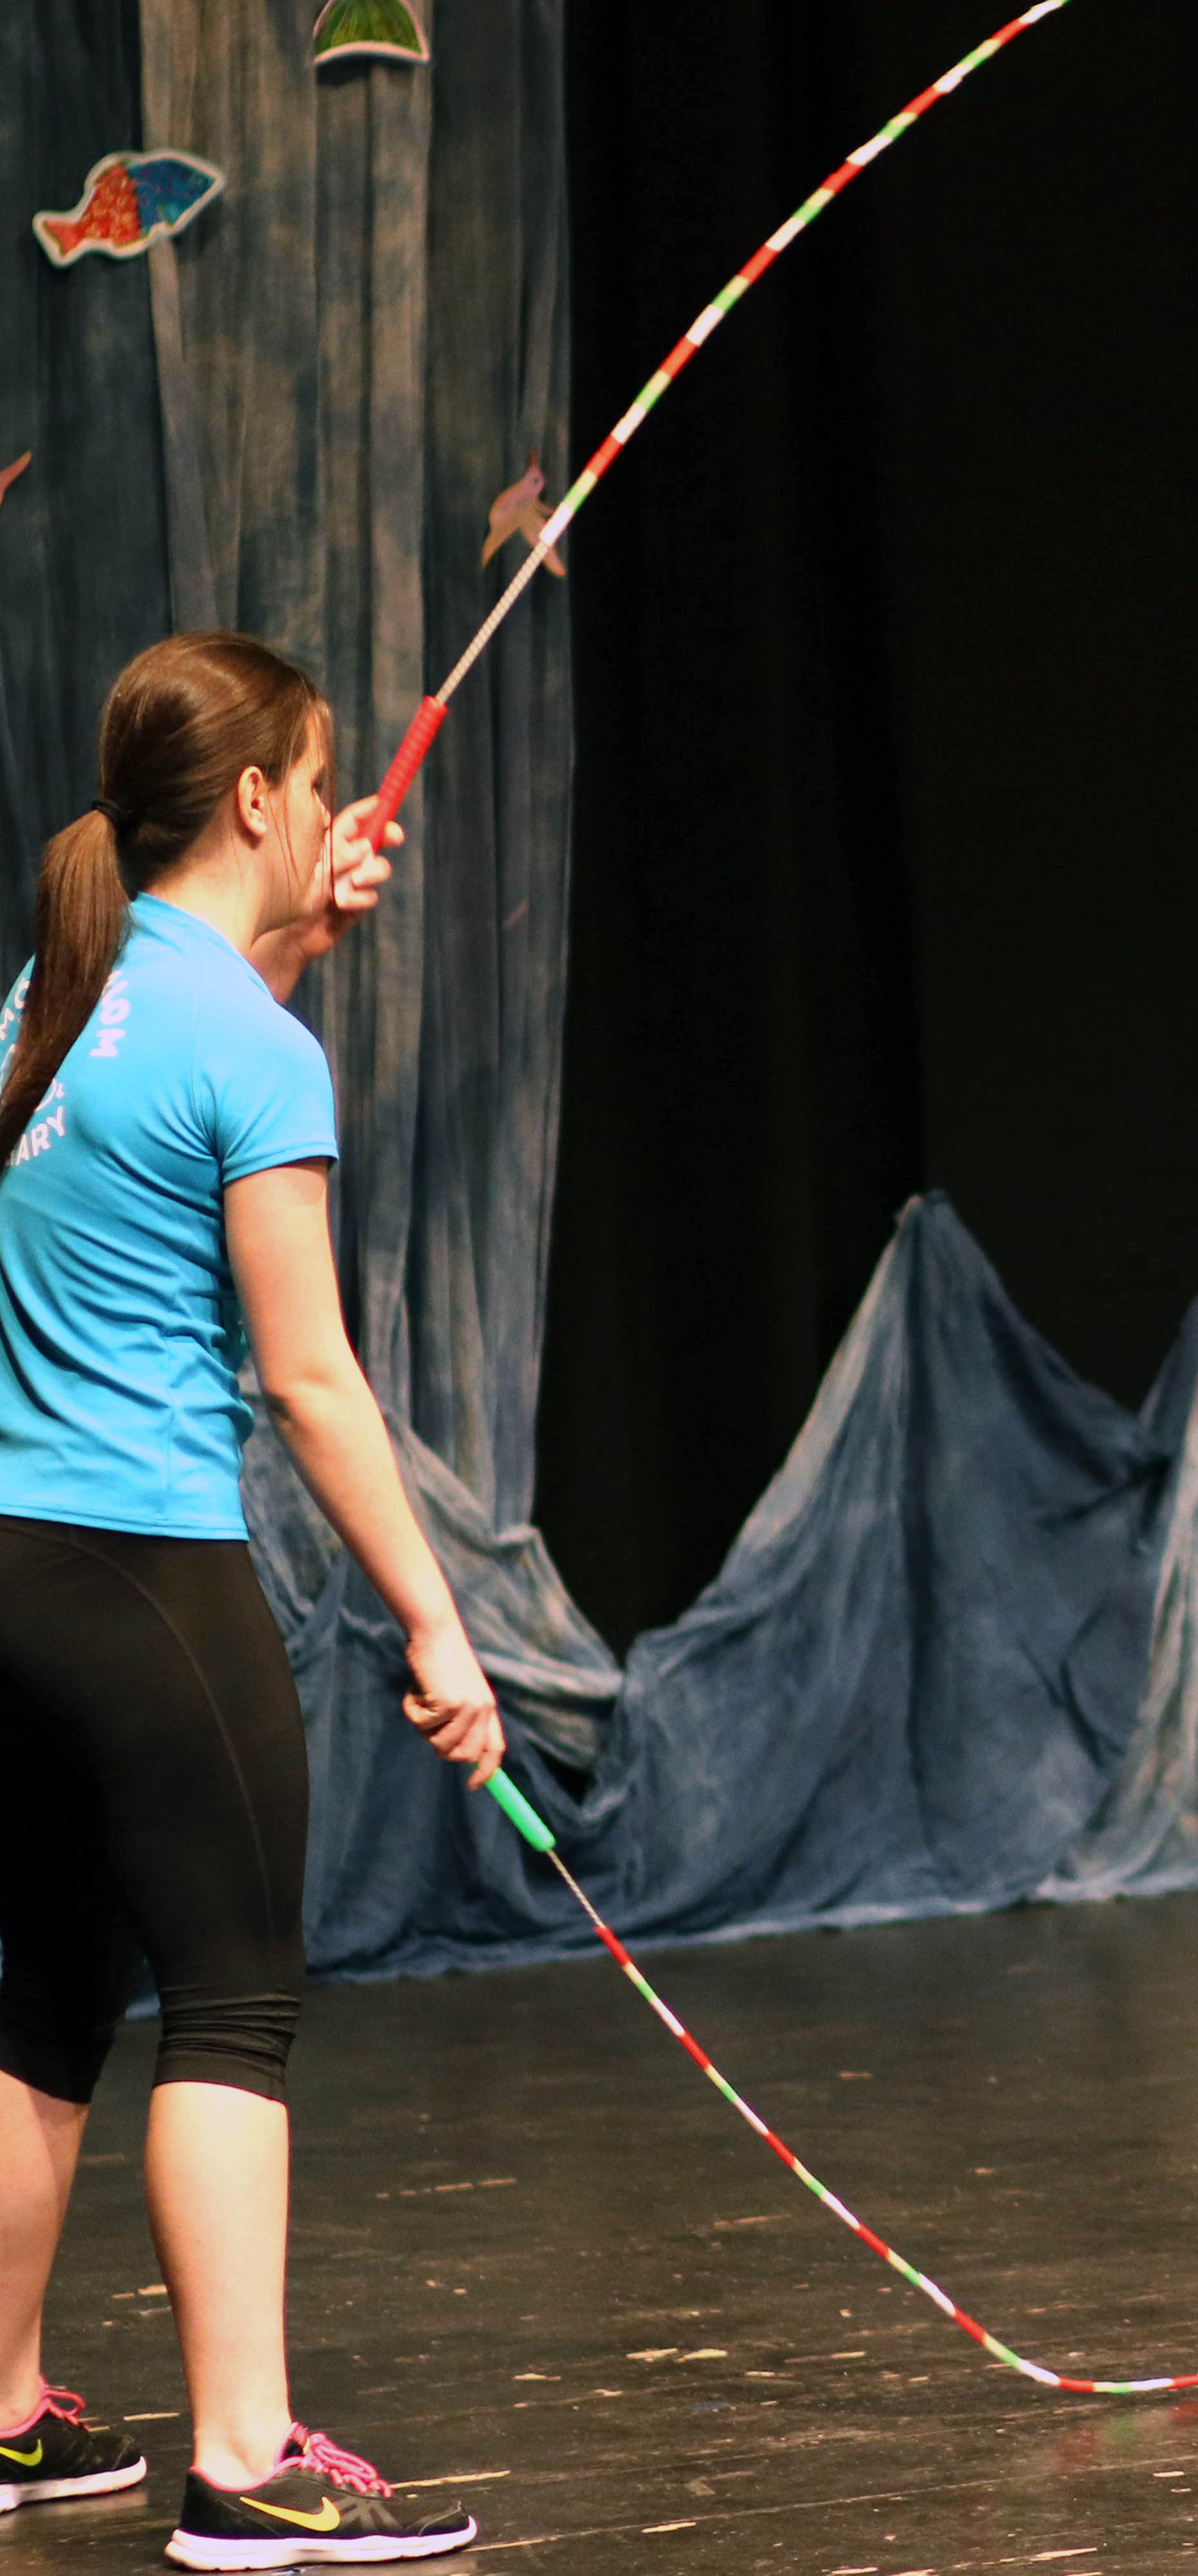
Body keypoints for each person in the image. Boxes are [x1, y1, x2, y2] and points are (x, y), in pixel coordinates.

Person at [0, 633, 508, 2565]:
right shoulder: (250, 1048)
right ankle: (242, 2463)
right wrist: (437, 1622)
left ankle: (6, 2415)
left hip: (13, 1579)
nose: (328, 810)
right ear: (259, 799)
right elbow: (309, 1378)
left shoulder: (51, 995)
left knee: (46, 1994)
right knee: (231, 2000)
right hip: (142, 1575)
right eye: (313, 781)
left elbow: (178, 1080)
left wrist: (291, 933)